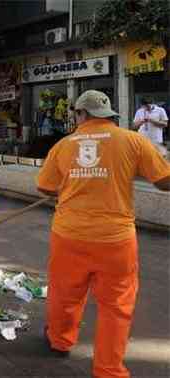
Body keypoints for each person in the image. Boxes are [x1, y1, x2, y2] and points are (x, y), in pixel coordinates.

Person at [36, 90, 170, 378]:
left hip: (69, 236)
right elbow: (164, 181)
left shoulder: (63, 145)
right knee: (116, 306)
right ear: (108, 115)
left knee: (65, 294)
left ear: (81, 114)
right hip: (116, 240)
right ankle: (109, 370)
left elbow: (45, 188)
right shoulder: (133, 140)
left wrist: (72, 185)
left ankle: (60, 341)